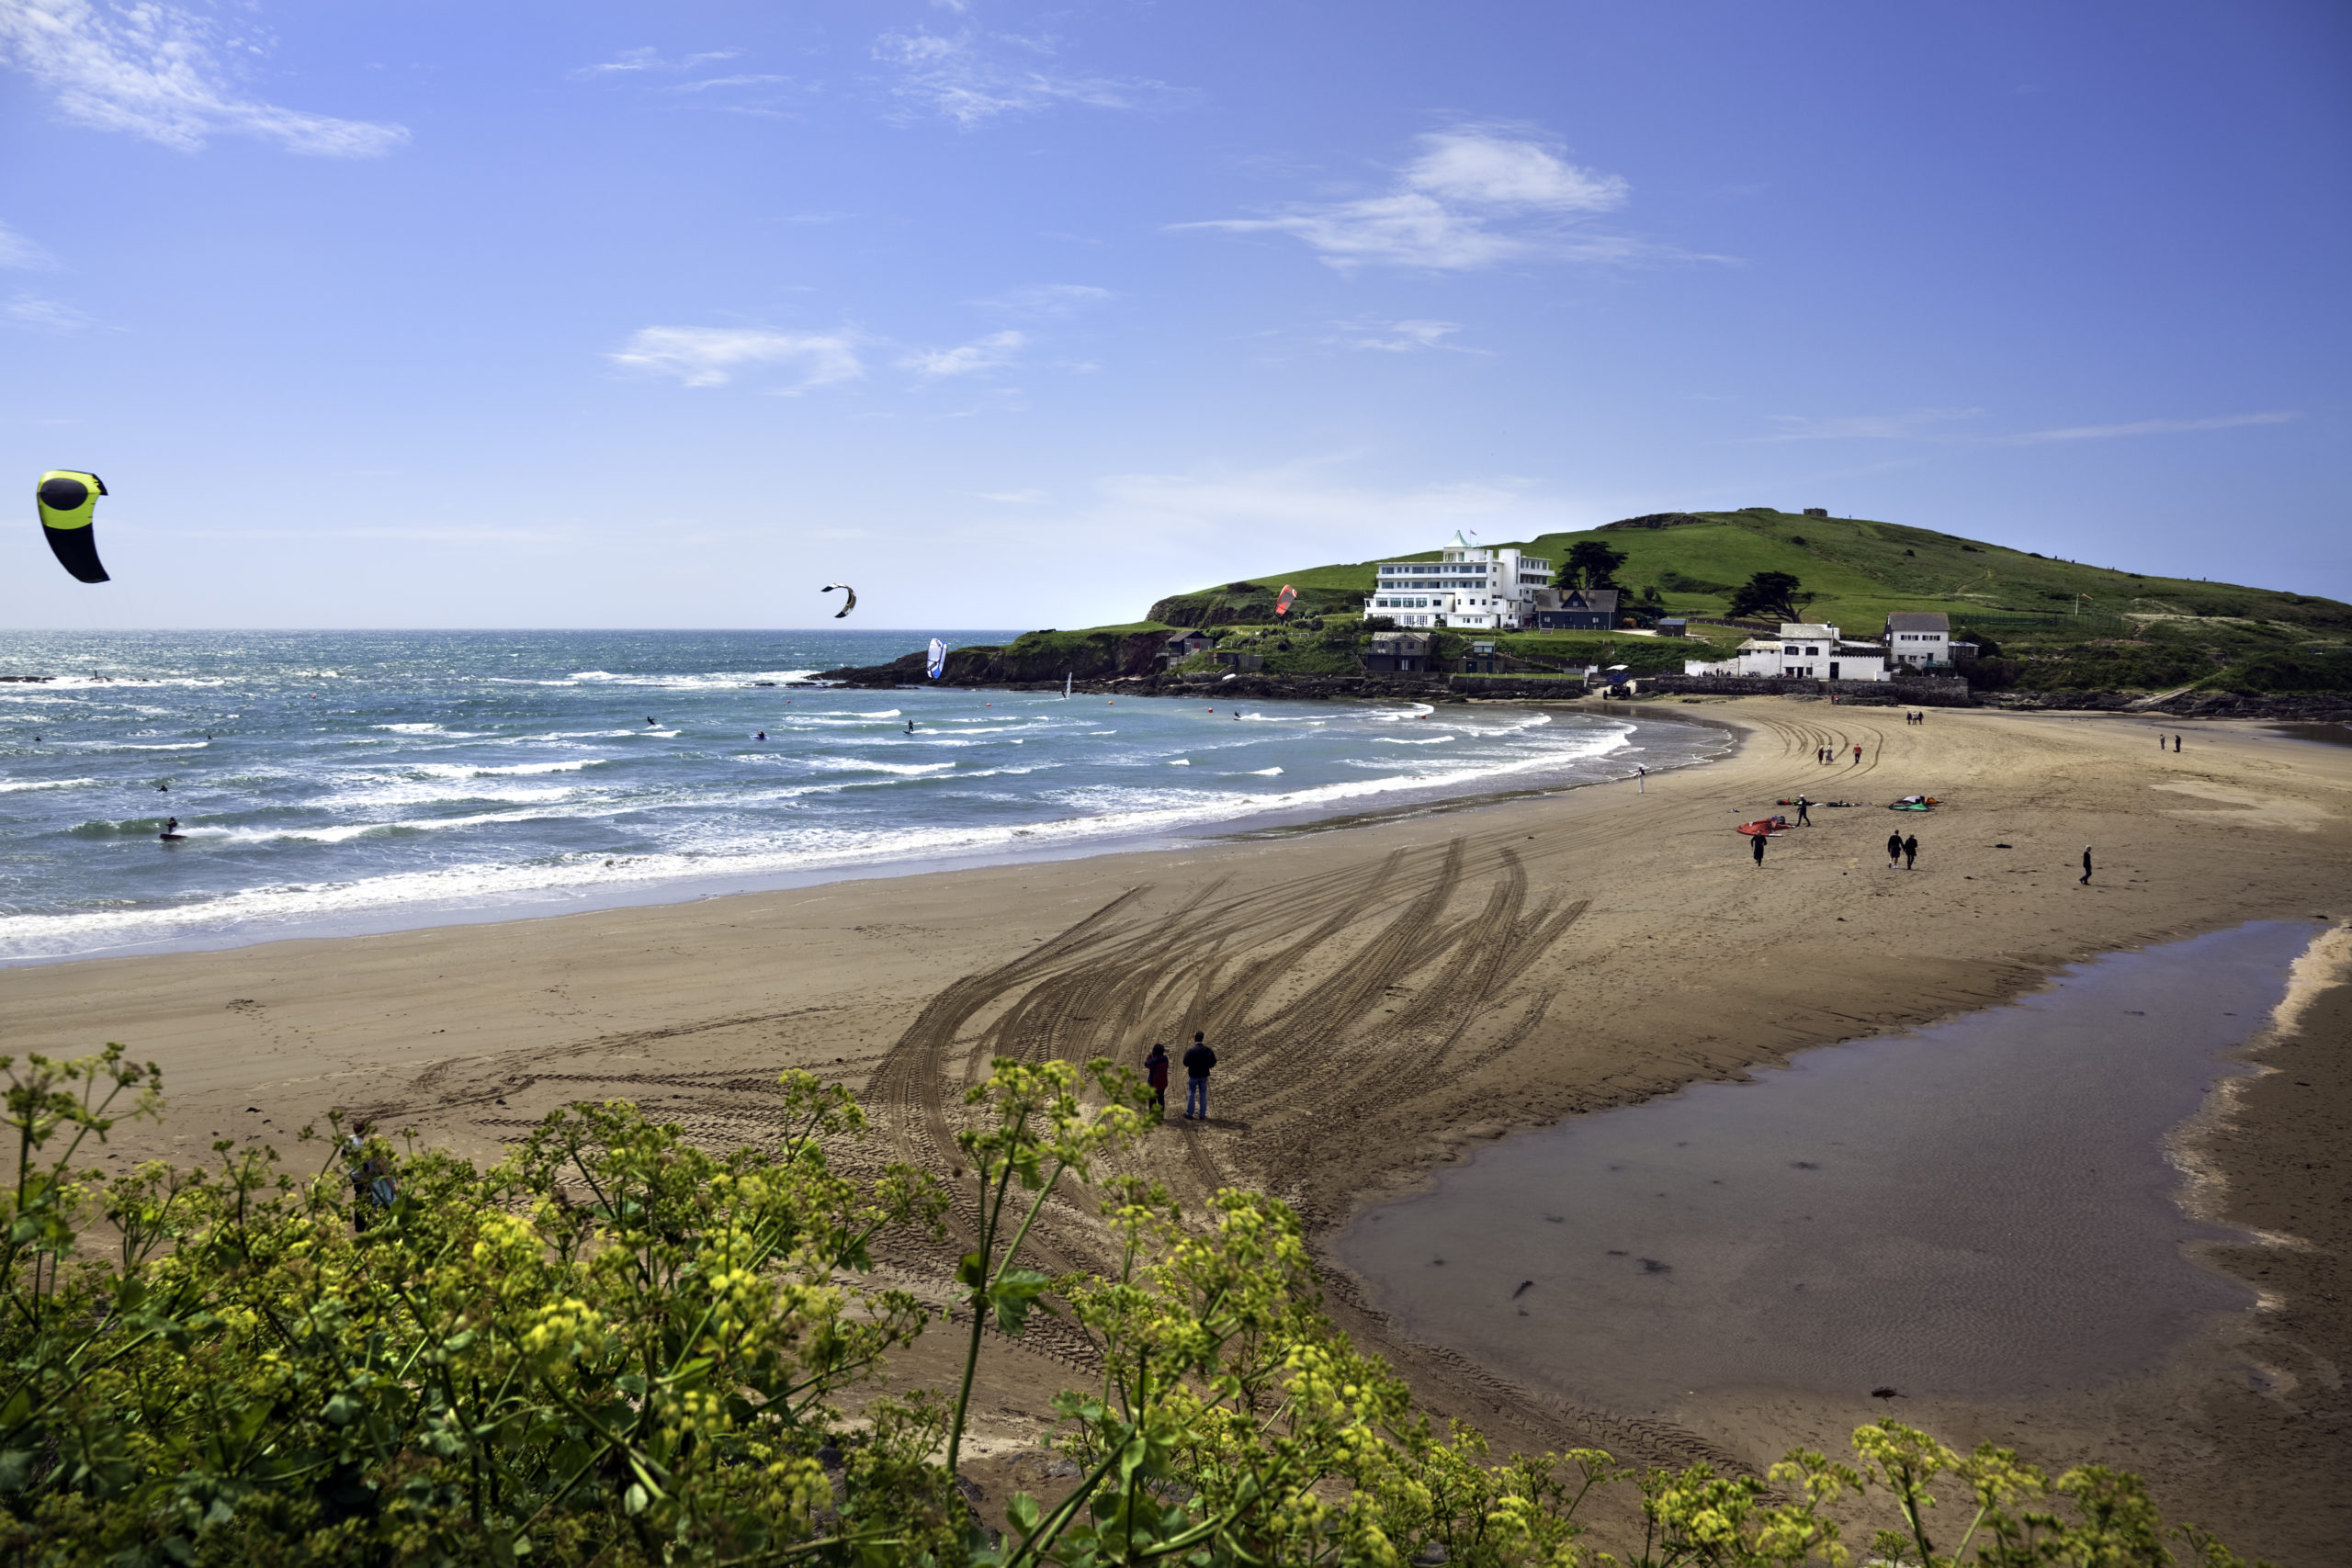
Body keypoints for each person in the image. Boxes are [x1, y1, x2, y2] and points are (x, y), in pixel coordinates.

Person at [1182, 1032, 1216, 1121]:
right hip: (1203, 1075)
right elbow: (1213, 1061)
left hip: (1193, 1075)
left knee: (1191, 1093)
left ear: (1195, 1038)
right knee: (1203, 1094)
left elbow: (1185, 1062)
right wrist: (1207, 1066)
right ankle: (1202, 1114)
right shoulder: (1207, 1050)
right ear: (1202, 1038)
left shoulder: (1191, 1050)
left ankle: (1190, 1113)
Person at [1144, 1043, 1170, 1117]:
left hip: (1154, 1083)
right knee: (1161, 1099)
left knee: (1152, 1100)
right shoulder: (1165, 1059)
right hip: (1163, 1083)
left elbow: (1147, 1064)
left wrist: (1149, 1057)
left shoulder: (1153, 1061)